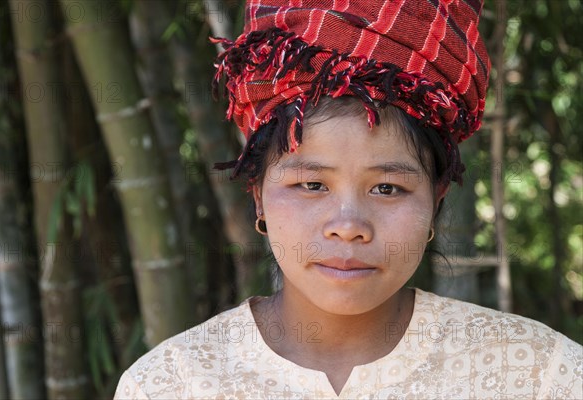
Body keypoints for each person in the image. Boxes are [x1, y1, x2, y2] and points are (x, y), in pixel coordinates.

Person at [114, 1, 583, 398]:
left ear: (436, 201)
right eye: (312, 185)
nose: (348, 224)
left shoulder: (539, 376)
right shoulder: (171, 384)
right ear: (257, 194)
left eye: (388, 188)